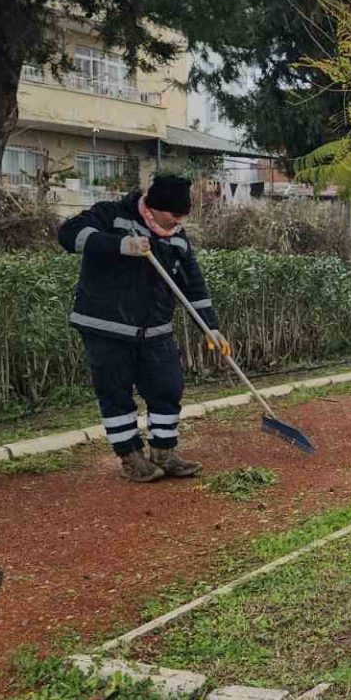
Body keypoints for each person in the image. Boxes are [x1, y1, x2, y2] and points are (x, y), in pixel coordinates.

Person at [58, 174, 230, 481]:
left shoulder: (177, 237)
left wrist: (210, 327)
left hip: (155, 330)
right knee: (116, 394)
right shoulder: (111, 215)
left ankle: (164, 452)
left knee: (168, 387)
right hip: (106, 327)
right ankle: (131, 457)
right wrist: (121, 245)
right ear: (154, 206)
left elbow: (193, 285)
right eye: (173, 215)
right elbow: (68, 234)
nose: (178, 222)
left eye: (182, 216)